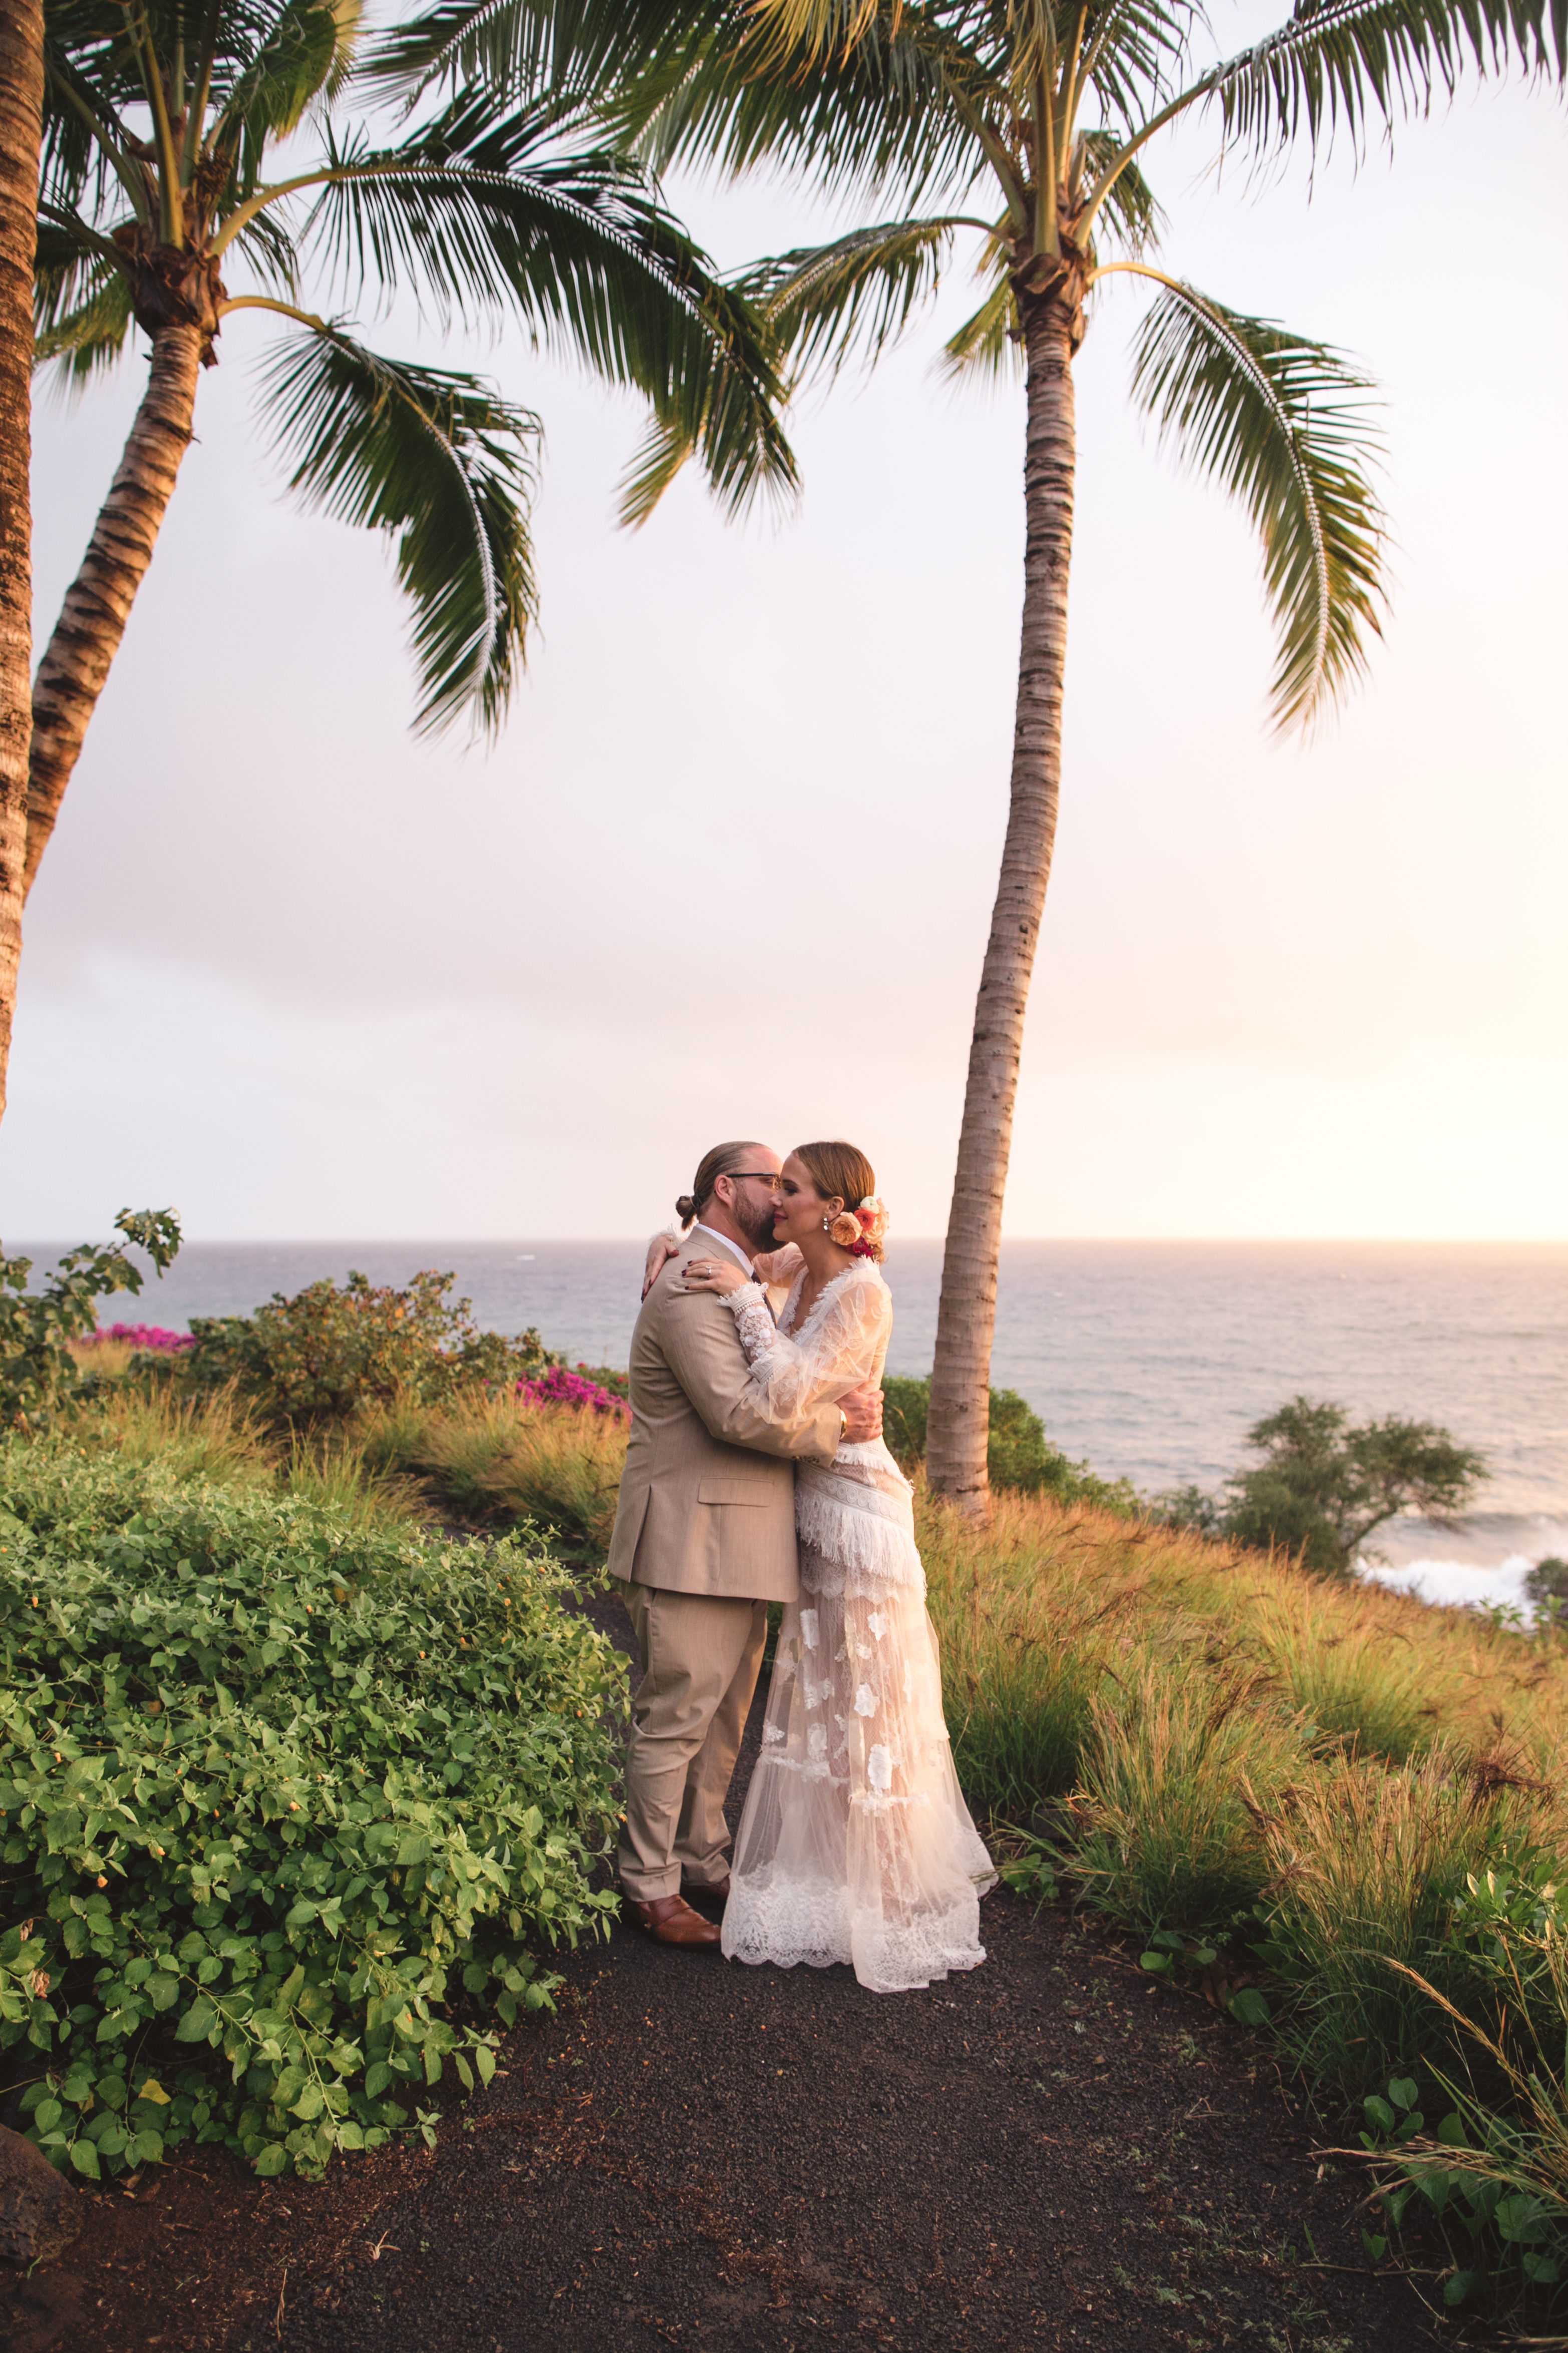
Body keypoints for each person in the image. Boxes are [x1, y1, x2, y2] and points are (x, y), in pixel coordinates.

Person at [649, 1141, 995, 1994]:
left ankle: (878, 1895)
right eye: (774, 1184)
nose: (780, 1199)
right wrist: (675, 1243)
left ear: (831, 1206)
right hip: (804, 1512)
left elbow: (780, 1389)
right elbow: (740, 1262)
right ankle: (772, 1877)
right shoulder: (795, 1264)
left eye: (792, 1187)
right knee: (818, 1700)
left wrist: (741, 1298)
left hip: (857, 1516)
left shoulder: (860, 1291)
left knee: (868, 1704)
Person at [608, 1140, 886, 1952]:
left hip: (743, 1536)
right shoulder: (693, 1279)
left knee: (726, 1716)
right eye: (772, 1180)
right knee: (678, 1715)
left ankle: (702, 1857)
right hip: (690, 1536)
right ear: (729, 1189)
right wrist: (841, 1426)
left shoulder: (741, 1264)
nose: (781, 1196)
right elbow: (736, 1412)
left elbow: (829, 1242)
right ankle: (648, 1883)